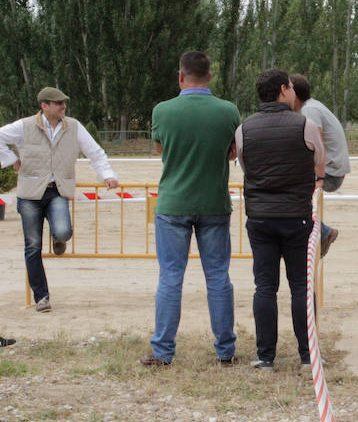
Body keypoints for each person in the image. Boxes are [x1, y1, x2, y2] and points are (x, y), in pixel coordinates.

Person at [140, 51, 241, 367]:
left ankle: (162, 351)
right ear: (210, 76)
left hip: (172, 203)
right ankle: (225, 350)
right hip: (214, 203)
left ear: (180, 76)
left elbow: (161, 149)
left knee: (170, 277)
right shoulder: (228, 111)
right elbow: (231, 152)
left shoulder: (162, 111)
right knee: (218, 277)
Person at [235, 70, 326, 371]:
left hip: (260, 217)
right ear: (285, 89)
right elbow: (319, 161)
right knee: (300, 286)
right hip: (296, 216)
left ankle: (265, 356)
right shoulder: (305, 124)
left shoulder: (244, 128)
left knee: (264, 286)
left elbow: (246, 167)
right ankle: (306, 355)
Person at [0, 87, 118, 313]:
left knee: (64, 231)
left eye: (64, 103)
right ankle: (41, 296)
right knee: (33, 246)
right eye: (58, 103)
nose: (63, 106)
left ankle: (58, 237)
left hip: (57, 191)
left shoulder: (74, 126)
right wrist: (11, 159)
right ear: (44, 106)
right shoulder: (24, 126)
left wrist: (108, 175)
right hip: (30, 194)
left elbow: (94, 152)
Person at [290, 73, 349, 256]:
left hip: (329, 172)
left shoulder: (309, 111)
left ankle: (323, 232)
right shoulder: (312, 106)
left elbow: (317, 145)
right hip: (332, 168)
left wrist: (318, 176)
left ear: (293, 93)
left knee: (288, 195)